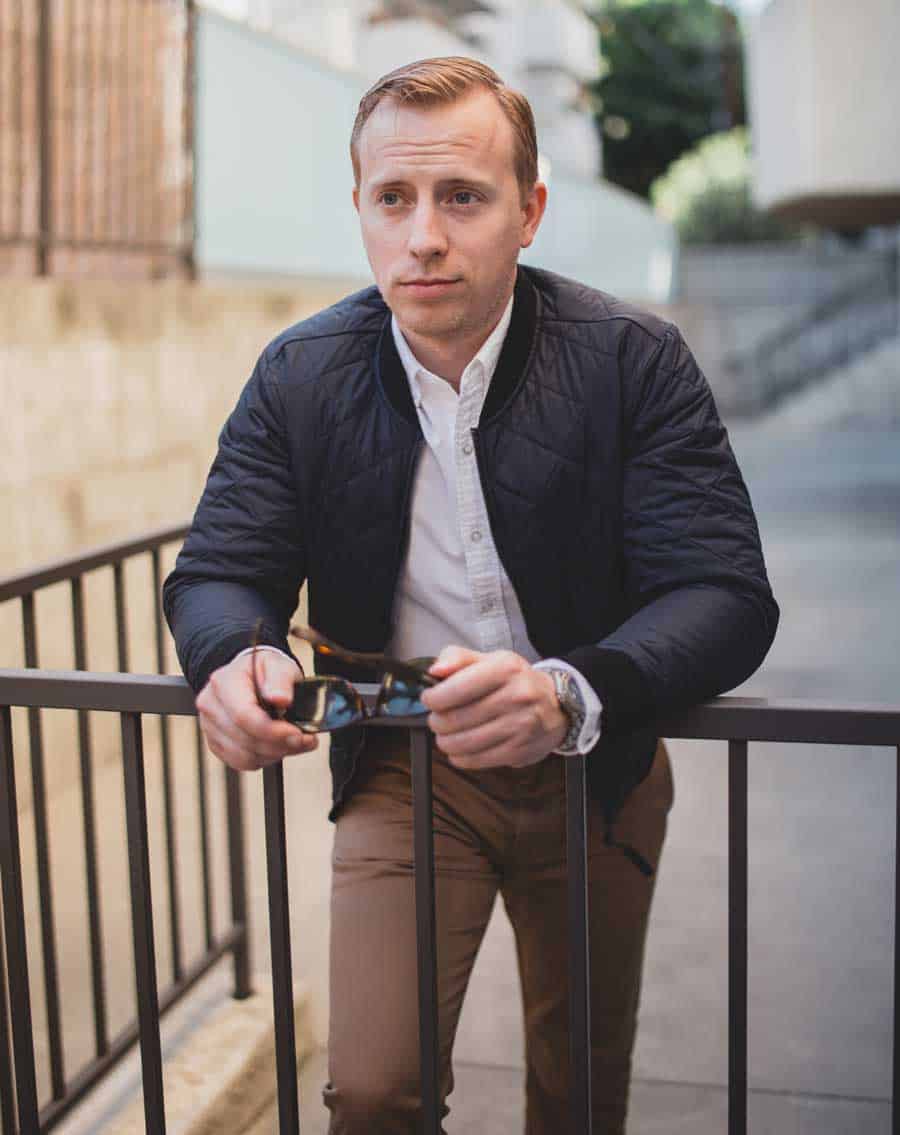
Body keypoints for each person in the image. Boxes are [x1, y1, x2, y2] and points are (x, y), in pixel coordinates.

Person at [164, 57, 778, 1134]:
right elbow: (223, 566)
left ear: (530, 211)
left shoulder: (633, 360)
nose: (424, 237)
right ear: (359, 207)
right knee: (373, 1093)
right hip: (406, 764)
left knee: (577, 1092)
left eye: (463, 196)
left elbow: (722, 590)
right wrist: (233, 654)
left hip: (595, 759)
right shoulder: (298, 374)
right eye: (393, 199)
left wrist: (570, 690)